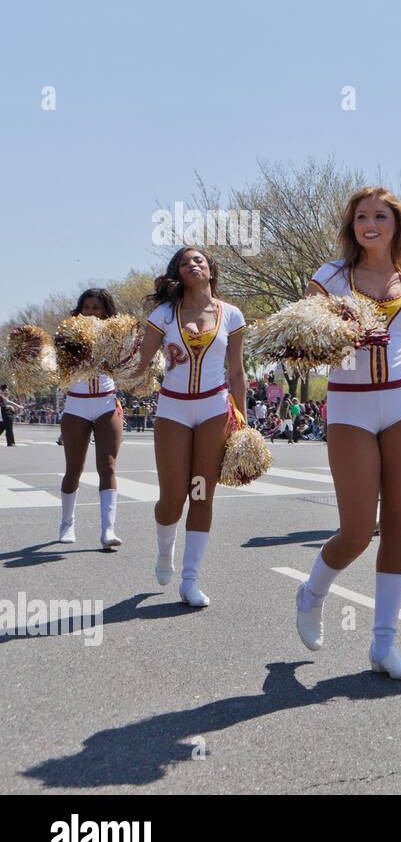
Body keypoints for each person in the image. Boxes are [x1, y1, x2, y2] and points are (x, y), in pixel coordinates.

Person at [292, 187, 401, 678]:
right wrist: (334, 332)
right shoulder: (329, 278)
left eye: (380, 216)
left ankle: (384, 645)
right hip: (350, 407)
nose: (370, 223)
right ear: (352, 226)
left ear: (395, 225)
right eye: (361, 216)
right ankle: (313, 591)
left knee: (400, 526)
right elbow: (306, 343)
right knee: (359, 530)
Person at [131, 247, 248, 607]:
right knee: (171, 497)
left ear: (211, 269)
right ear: (178, 274)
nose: (192, 265)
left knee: (201, 493)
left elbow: (237, 372)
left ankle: (190, 579)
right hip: (173, 411)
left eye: (198, 260)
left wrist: (242, 421)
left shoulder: (231, 315)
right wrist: (110, 363)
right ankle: (165, 552)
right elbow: (141, 363)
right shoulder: (164, 314)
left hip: (214, 409)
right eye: (184, 263)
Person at [56, 288, 125, 549]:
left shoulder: (117, 333)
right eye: (86, 307)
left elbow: (127, 366)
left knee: (108, 466)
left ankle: (108, 529)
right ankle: (67, 523)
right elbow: (61, 371)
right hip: (76, 406)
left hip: (107, 404)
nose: (91, 312)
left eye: (96, 307)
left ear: (106, 310)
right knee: (74, 470)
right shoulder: (67, 334)